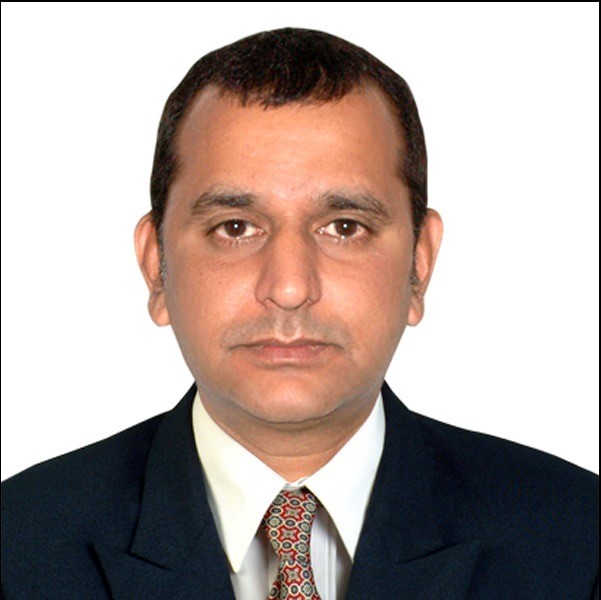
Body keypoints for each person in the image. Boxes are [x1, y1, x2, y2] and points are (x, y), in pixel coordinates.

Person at [1, 27, 597, 600]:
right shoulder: (17, 549)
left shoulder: (578, 545)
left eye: (345, 227)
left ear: (420, 263)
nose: (288, 288)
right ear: (156, 266)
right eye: (236, 228)